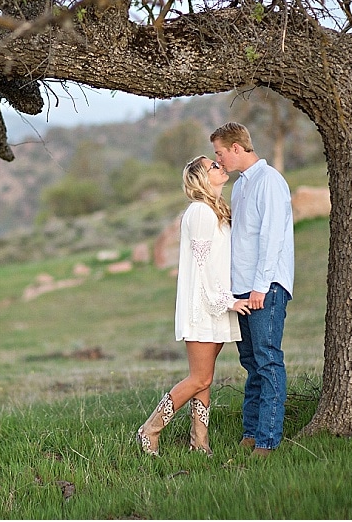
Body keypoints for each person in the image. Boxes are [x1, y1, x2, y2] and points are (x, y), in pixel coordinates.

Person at [136, 156, 251, 456]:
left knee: (205, 377)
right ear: (201, 178)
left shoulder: (215, 210)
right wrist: (228, 301)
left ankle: (199, 443)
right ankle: (150, 429)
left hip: (216, 306)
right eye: (213, 166)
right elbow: (202, 267)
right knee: (200, 377)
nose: (219, 166)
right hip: (203, 306)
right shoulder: (200, 212)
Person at [210, 122, 294, 459]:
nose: (218, 160)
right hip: (243, 291)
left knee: (268, 360)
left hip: (265, 288)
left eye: (219, 153)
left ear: (235, 147)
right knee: (250, 362)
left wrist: (260, 287)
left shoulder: (269, 181)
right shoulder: (242, 186)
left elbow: (272, 238)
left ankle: (268, 441)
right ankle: (250, 432)